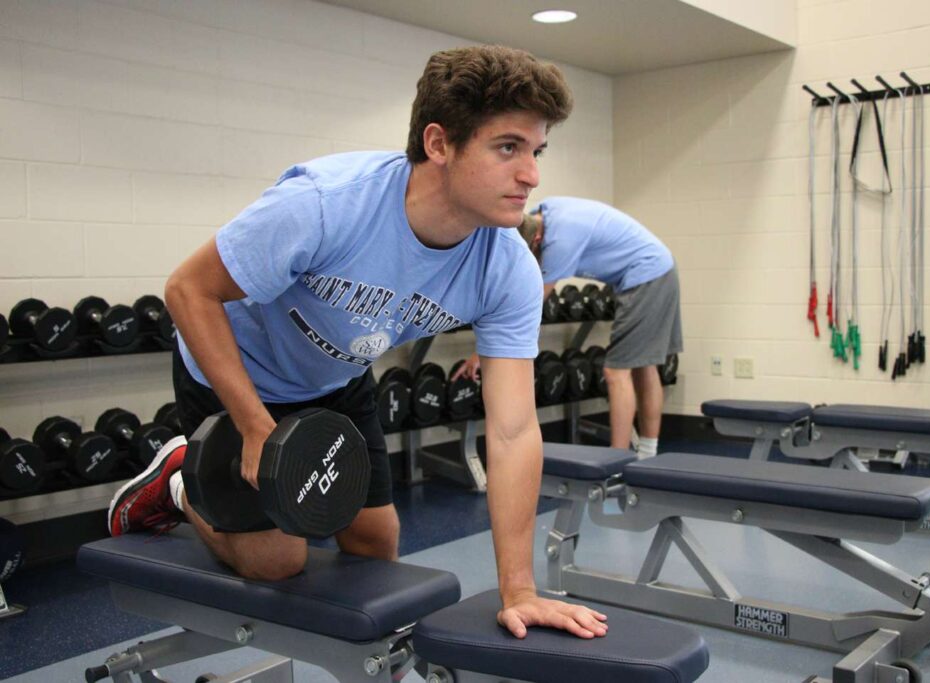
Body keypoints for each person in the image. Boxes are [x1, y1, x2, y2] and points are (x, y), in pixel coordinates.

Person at [107, 45, 607, 641]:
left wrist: (520, 590)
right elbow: (188, 291)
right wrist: (254, 427)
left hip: (338, 380)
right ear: (439, 144)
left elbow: (513, 430)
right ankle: (180, 479)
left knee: (376, 543)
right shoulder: (324, 205)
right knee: (277, 563)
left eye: (536, 150)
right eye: (508, 148)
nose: (531, 175)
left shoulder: (507, 269)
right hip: (239, 373)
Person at [456, 197, 681, 458]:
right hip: (657, 269)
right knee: (644, 366)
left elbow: (531, 302)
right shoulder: (544, 214)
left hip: (648, 275)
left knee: (615, 372)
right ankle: (646, 454)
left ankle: (618, 462)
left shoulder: (561, 240)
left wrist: (481, 353)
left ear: (537, 242)